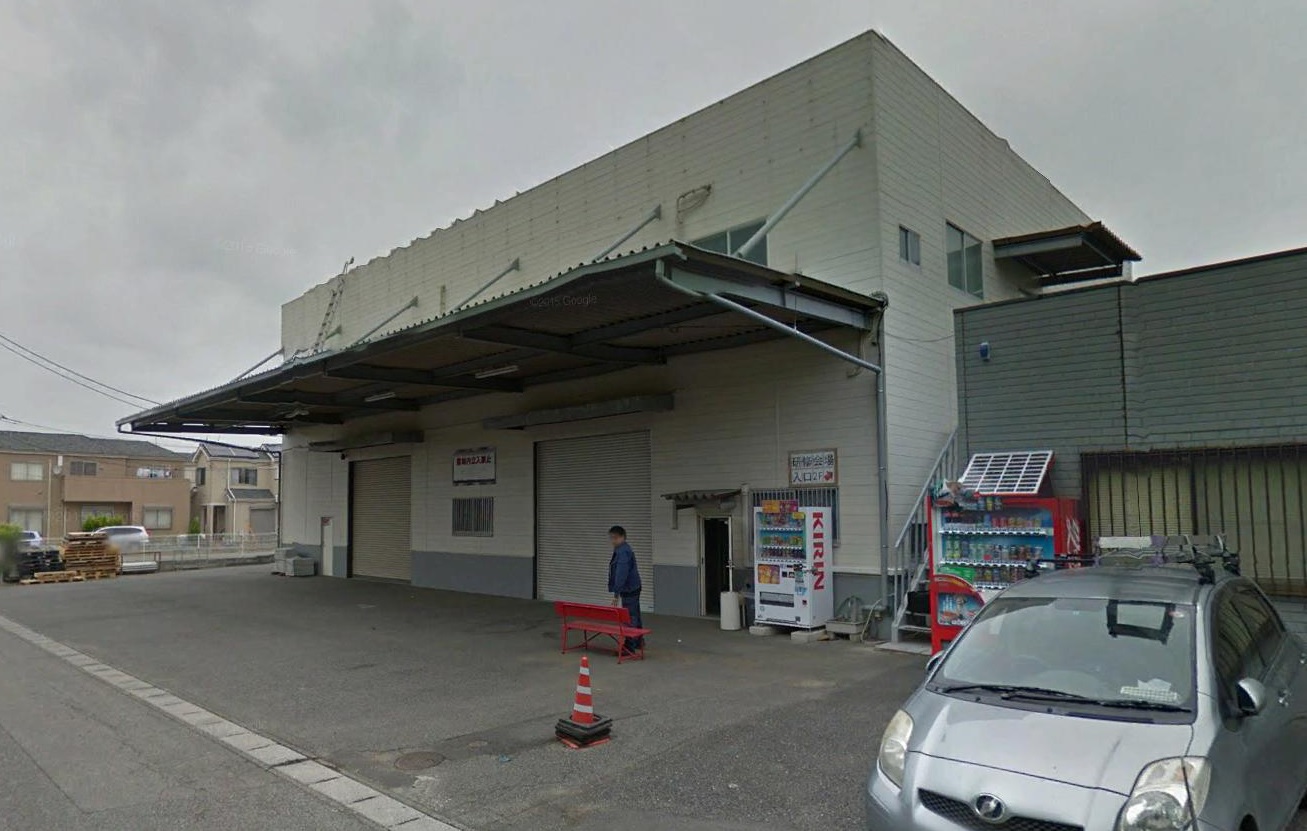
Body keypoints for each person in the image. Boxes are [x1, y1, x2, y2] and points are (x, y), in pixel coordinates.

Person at [607, 525, 644, 656]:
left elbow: (621, 573)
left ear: (622, 537)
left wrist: (616, 593)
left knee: (629, 617)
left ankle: (629, 646)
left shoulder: (623, 551)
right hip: (633, 586)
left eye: (615, 538)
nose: (613, 541)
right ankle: (638, 640)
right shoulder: (623, 549)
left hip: (629, 588)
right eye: (611, 538)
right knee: (635, 614)